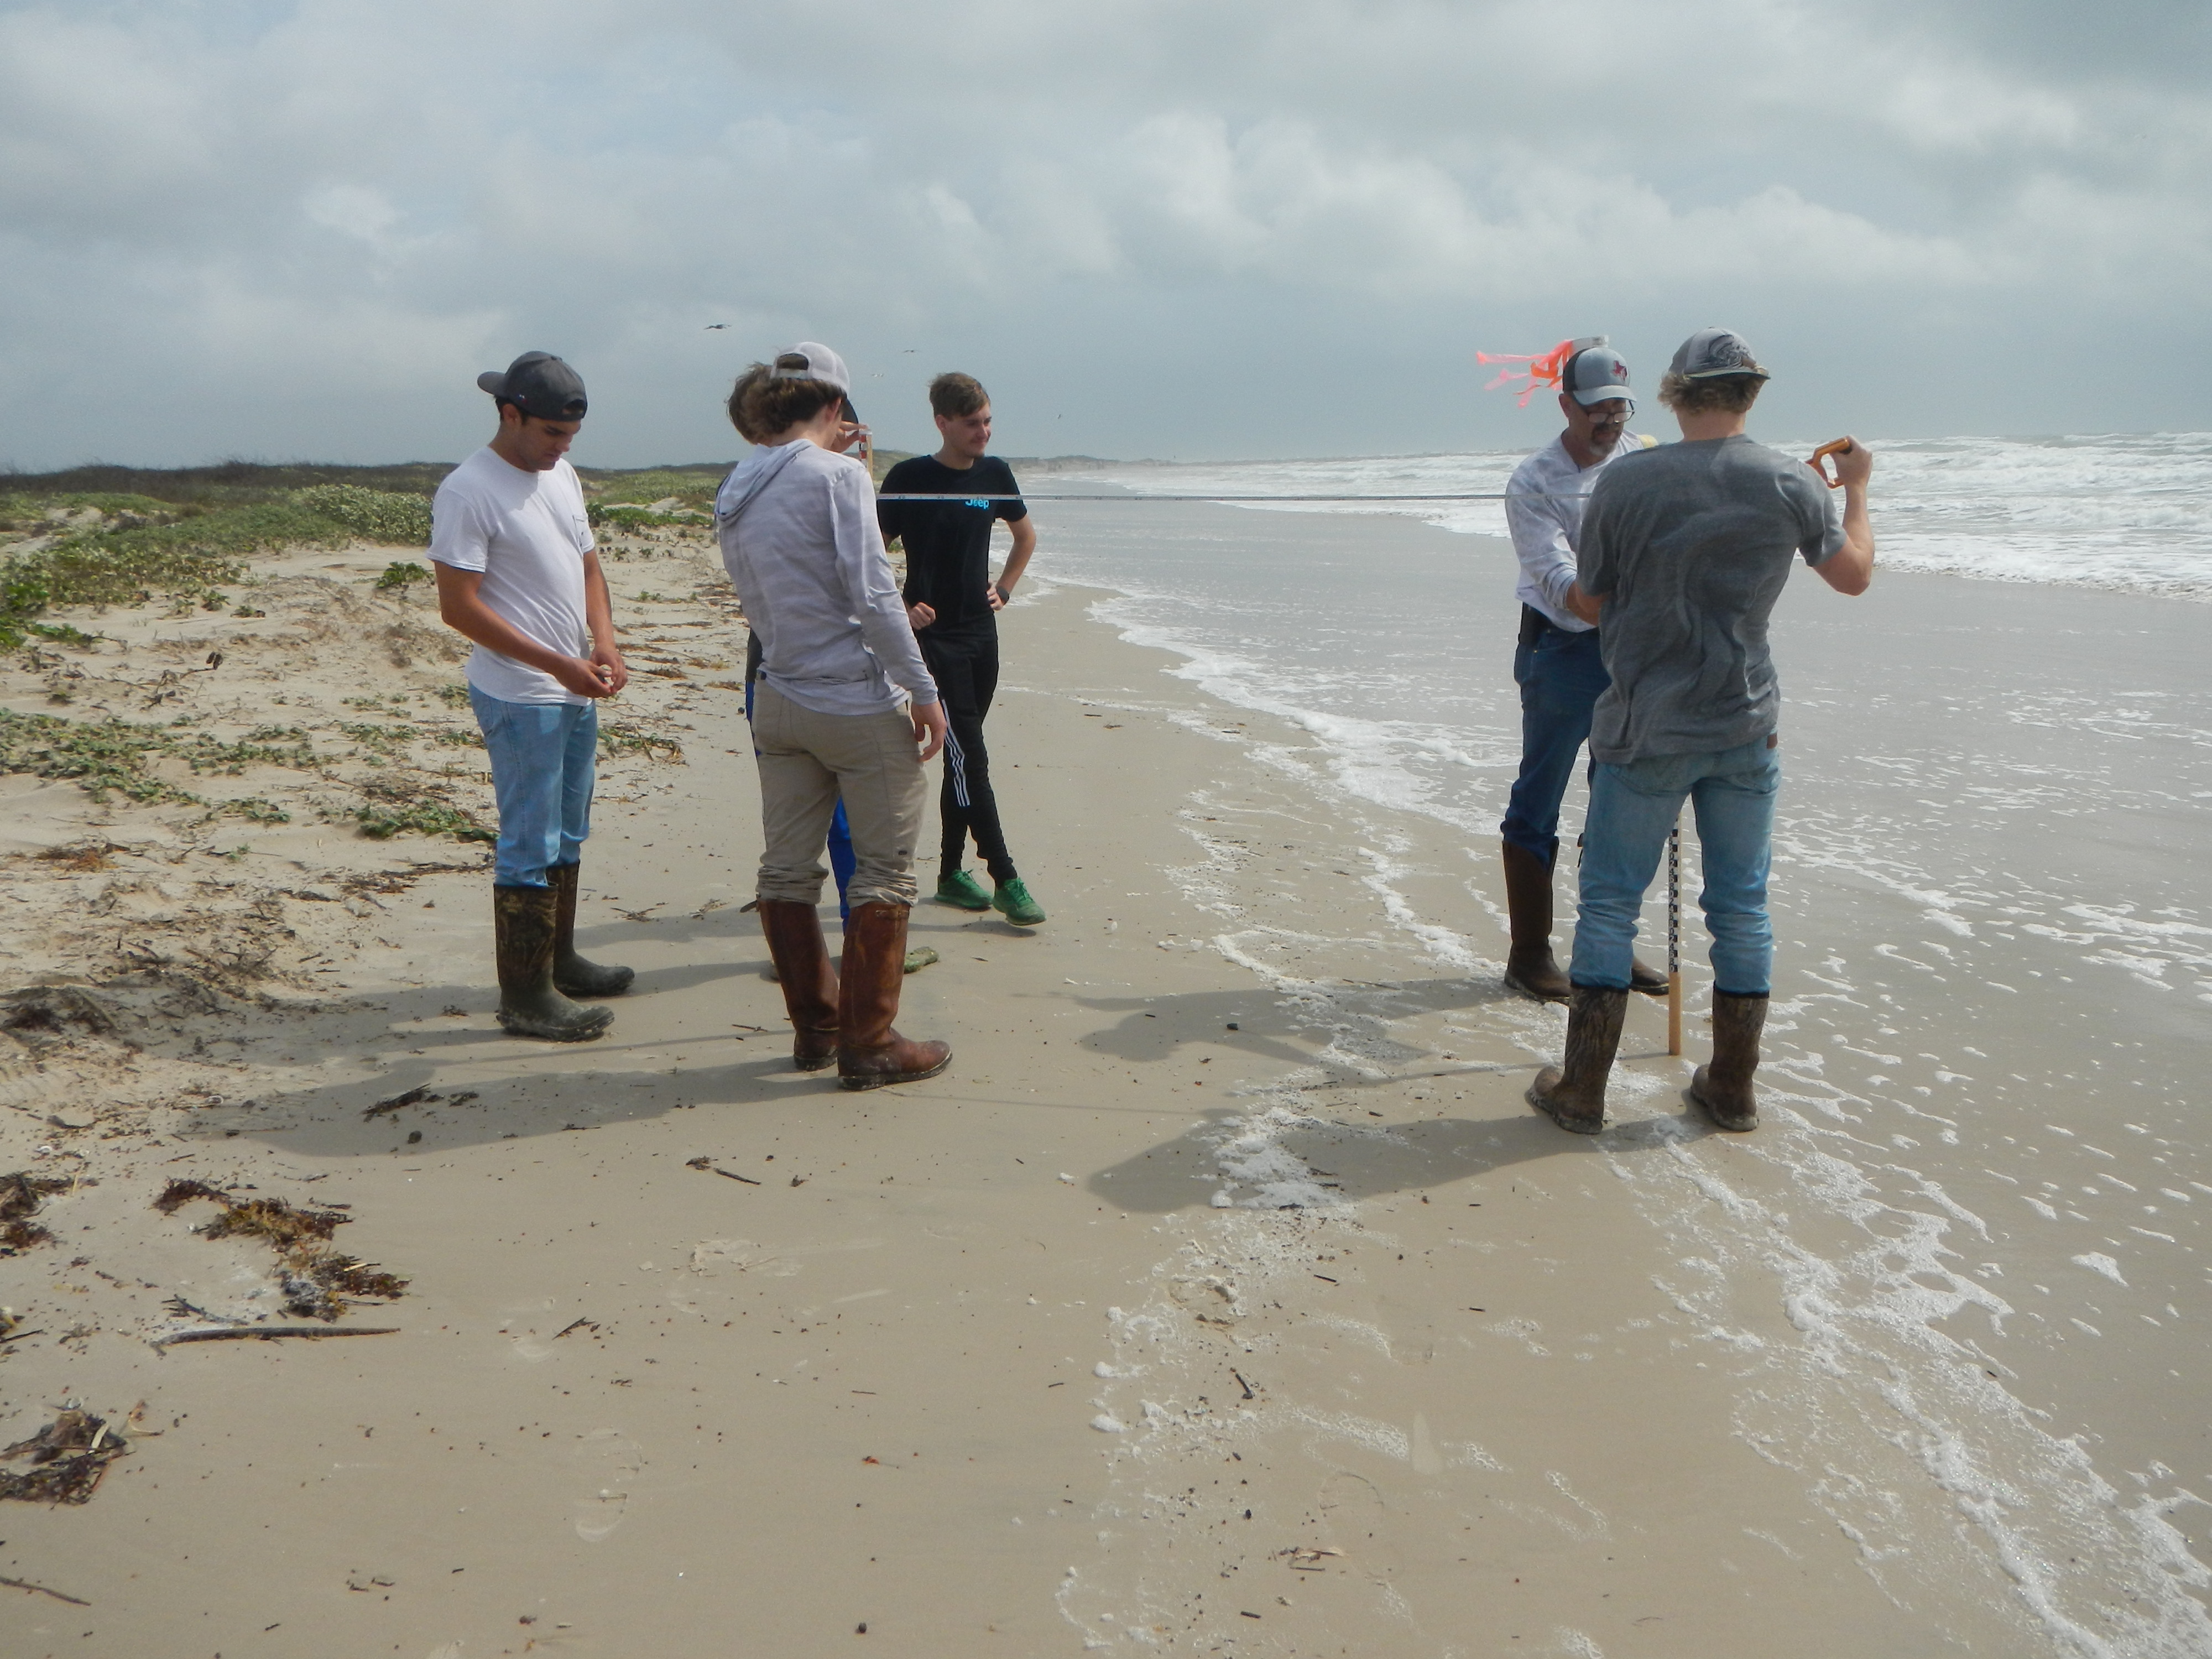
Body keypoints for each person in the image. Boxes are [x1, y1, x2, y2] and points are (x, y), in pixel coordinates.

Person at [1528, 328, 1875, 1135]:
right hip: (1744, 721)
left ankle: (1583, 1091)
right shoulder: (1792, 481)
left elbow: (1589, 600)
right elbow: (1854, 576)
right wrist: (1856, 490)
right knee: (1742, 907)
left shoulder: (1626, 484)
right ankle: (1732, 1087)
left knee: (1612, 903)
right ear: (1750, 394)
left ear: (1674, 395)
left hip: (1646, 722)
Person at [714, 343, 952, 1091]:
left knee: (786, 868)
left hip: (778, 691)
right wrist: (923, 689)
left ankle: (815, 1031)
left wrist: (854, 473)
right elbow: (874, 595)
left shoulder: (738, 480)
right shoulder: (837, 475)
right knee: (884, 873)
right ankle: (870, 1043)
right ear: (838, 406)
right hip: (850, 698)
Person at [430, 352, 632, 1042]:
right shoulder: (468, 490)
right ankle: (524, 996)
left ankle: (561, 960)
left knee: (569, 830)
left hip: (574, 687)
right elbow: (458, 608)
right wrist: (556, 664)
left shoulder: (562, 474)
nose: (562, 446)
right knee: (529, 841)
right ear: (509, 415)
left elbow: (588, 567)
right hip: (521, 695)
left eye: (570, 434)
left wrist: (602, 643)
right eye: (550, 433)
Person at [1496, 337, 1667, 1004]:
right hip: (1560, 651)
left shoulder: (1644, 463)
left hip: (1631, 653)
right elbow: (1561, 581)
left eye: (1619, 408)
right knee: (1539, 798)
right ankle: (1528, 954)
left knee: (1619, 797)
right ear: (1566, 404)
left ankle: (1607, 948)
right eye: (1597, 409)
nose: (1609, 422)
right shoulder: (1533, 480)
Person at [876, 373, 1045, 927]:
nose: (984, 432)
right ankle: (1004, 875)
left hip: (980, 635)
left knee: (962, 760)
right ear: (942, 422)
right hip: (929, 641)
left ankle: (950, 875)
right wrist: (901, 612)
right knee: (971, 756)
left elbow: (1026, 536)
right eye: (972, 423)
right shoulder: (909, 478)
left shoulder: (995, 474)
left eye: (988, 421)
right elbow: (868, 557)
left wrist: (1005, 587)